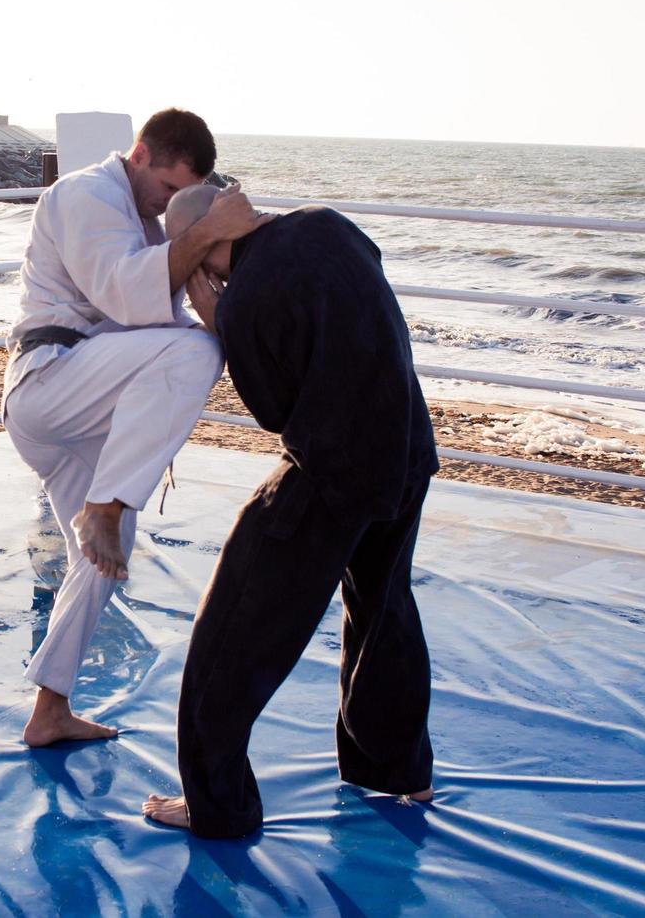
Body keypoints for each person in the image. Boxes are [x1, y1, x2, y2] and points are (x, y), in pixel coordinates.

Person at [142, 185, 439, 837]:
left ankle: (216, 806)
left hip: (332, 474)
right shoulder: (326, 223)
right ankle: (398, 773)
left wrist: (218, 320)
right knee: (381, 609)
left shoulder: (244, 298)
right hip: (408, 450)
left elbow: (275, 412)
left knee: (228, 634)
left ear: (206, 245)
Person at [3, 110, 269, 747]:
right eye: (171, 190)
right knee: (199, 353)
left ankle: (50, 710)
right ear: (140, 154)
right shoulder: (84, 194)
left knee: (103, 553)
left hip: (87, 402)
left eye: (188, 197)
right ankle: (105, 501)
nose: (172, 206)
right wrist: (206, 230)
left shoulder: (147, 223)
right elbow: (127, 297)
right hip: (48, 382)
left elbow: (153, 319)